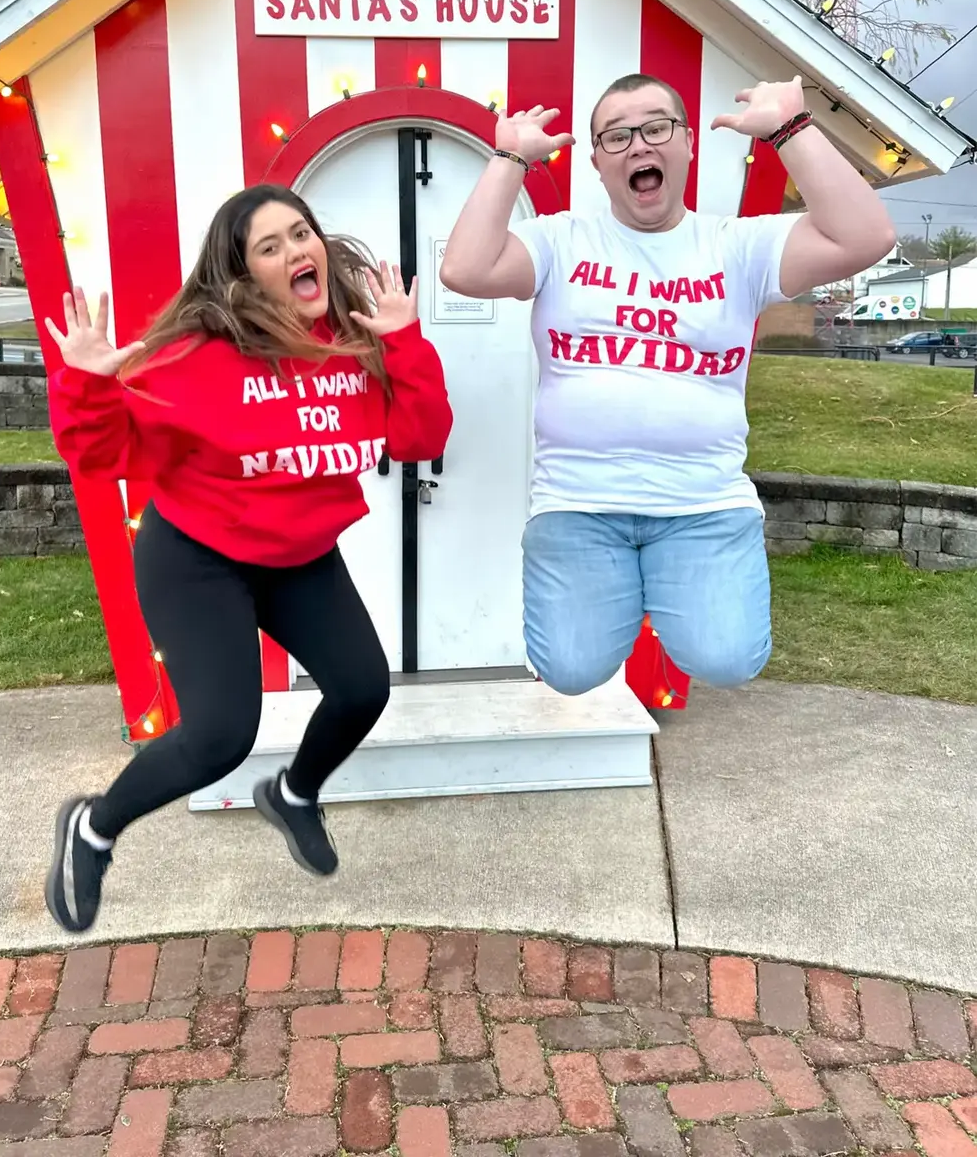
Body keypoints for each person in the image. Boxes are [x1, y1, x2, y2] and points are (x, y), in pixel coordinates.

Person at [43, 183, 453, 933]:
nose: (299, 251)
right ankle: (93, 829)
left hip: (298, 555)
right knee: (220, 736)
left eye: (303, 234)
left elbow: (419, 438)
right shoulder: (195, 362)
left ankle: (294, 794)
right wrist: (87, 384)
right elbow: (101, 456)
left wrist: (406, 339)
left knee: (363, 689)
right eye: (271, 246)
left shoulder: (356, 344)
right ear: (242, 276)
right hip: (198, 559)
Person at [439, 74, 895, 698]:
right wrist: (510, 157)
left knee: (730, 660)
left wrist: (791, 129)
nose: (638, 146)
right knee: (571, 670)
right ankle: (626, 587)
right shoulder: (560, 240)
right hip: (579, 503)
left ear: (685, 144)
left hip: (702, 506)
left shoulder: (736, 246)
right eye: (617, 136)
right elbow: (464, 269)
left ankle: (671, 579)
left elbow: (867, 237)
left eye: (656, 128)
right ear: (597, 163)